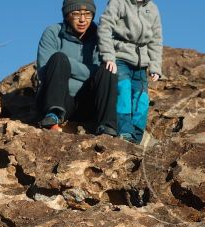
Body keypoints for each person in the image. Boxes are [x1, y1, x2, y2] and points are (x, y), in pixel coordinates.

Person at [36, 0, 118, 135]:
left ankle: (107, 125)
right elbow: (45, 72)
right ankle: (53, 115)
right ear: (67, 15)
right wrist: (84, 70)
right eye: (76, 14)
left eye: (87, 14)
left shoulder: (101, 36)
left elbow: (100, 73)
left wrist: (69, 68)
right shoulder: (52, 33)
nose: (82, 20)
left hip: (88, 101)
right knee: (58, 58)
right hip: (60, 98)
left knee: (108, 69)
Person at [98, 0, 164, 144]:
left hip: (141, 64)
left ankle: (136, 138)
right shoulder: (118, 3)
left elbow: (156, 40)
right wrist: (108, 56)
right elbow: (104, 27)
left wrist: (155, 66)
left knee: (142, 101)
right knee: (123, 91)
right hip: (120, 58)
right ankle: (125, 132)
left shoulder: (152, 8)